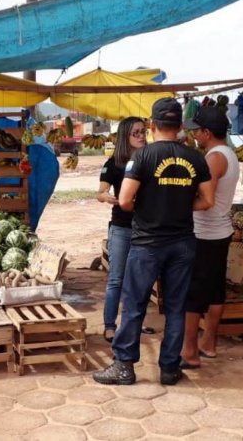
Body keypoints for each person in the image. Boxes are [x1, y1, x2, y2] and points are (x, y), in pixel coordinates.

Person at [93, 98, 214, 386]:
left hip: (148, 243)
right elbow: (207, 200)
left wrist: (151, 207)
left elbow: (124, 200)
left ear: (152, 125)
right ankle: (169, 369)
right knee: (175, 307)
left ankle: (124, 367)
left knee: (135, 304)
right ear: (180, 126)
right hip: (183, 242)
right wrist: (179, 207)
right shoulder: (196, 158)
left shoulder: (143, 157)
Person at [179, 107, 239, 369]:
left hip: (205, 233)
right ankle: (209, 343)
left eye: (197, 130)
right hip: (220, 232)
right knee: (215, 292)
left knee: (193, 295)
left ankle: (189, 351)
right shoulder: (229, 154)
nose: (193, 133)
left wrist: (177, 206)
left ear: (206, 132)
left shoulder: (215, 158)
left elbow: (206, 200)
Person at [96, 116, 151, 342]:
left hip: (147, 227)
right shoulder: (115, 163)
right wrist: (106, 197)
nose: (140, 136)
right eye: (135, 133)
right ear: (125, 137)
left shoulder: (150, 159)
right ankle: (110, 325)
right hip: (122, 227)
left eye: (143, 131)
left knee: (142, 280)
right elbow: (99, 192)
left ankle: (138, 322)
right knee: (116, 279)